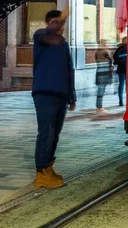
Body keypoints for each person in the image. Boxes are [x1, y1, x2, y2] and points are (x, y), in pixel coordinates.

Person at [32, 9, 76, 188]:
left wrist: (71, 96)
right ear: (49, 23)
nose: (62, 27)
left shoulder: (62, 43)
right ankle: (41, 173)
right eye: (59, 23)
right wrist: (63, 16)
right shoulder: (41, 36)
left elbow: (68, 71)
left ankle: (48, 166)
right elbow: (50, 32)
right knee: (47, 133)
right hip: (45, 94)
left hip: (61, 95)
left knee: (54, 135)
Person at [95, 40, 113, 113]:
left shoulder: (97, 52)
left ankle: (99, 107)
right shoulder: (105, 52)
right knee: (101, 91)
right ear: (105, 45)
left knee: (100, 90)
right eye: (108, 43)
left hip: (99, 72)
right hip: (104, 72)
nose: (109, 44)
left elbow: (97, 61)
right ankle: (99, 108)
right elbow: (110, 60)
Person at [112, 36, 128, 106]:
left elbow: (114, 57)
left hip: (121, 68)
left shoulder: (119, 48)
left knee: (121, 85)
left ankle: (120, 100)